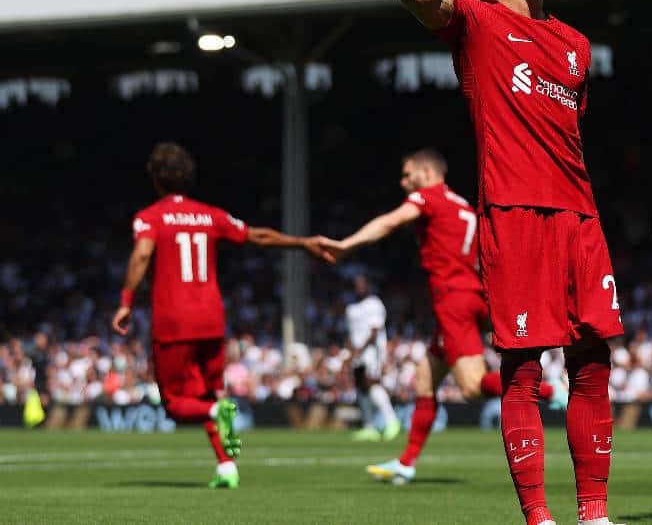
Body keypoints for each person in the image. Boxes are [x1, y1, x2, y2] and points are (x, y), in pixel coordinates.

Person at [396, 0, 623, 525]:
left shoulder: (577, 46)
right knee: (523, 368)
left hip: (579, 215)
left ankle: (594, 514)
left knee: (593, 362)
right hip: (514, 211)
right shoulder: (476, 20)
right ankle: (538, 517)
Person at [317, 149, 567, 484]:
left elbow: (391, 222)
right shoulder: (463, 205)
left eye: (408, 174)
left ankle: (553, 392)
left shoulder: (427, 197)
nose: (403, 182)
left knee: (473, 388)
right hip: (470, 296)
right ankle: (406, 463)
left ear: (425, 171)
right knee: (425, 379)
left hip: (453, 301)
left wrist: (347, 245)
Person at [110, 142, 330, 489]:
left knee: (175, 404)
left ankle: (216, 415)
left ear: (155, 179)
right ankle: (227, 467)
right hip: (212, 319)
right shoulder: (211, 215)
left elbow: (141, 255)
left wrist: (125, 302)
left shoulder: (149, 217)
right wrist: (301, 244)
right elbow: (257, 235)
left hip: (174, 321)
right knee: (209, 394)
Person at [343, 274, 401, 443]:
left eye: (362, 284)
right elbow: (351, 334)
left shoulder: (374, 304)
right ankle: (369, 427)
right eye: (356, 285)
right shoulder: (351, 308)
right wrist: (349, 352)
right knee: (361, 387)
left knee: (372, 383)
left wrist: (359, 350)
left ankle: (392, 421)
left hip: (371, 352)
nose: (359, 288)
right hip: (357, 352)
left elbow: (375, 332)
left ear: (368, 286)